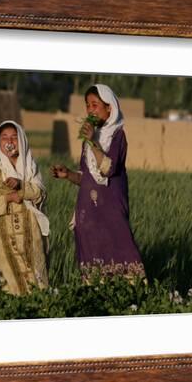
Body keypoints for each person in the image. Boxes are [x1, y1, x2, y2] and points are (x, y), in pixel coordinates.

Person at [51, 84, 145, 282]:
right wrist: (67, 174)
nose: (90, 110)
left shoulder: (117, 136)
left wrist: (93, 141)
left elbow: (108, 169)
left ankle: (132, 301)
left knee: (122, 253)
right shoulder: (88, 140)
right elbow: (87, 177)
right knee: (93, 267)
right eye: (88, 106)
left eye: (95, 105)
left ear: (109, 108)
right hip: (88, 215)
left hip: (110, 210)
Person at [0, 120, 49, 295]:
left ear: (22, 140)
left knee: (37, 281)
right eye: (4, 137)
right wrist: (8, 198)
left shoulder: (31, 167)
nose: (9, 141)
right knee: (10, 283)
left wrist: (21, 185)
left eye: (14, 137)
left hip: (32, 235)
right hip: (6, 240)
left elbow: (40, 193)